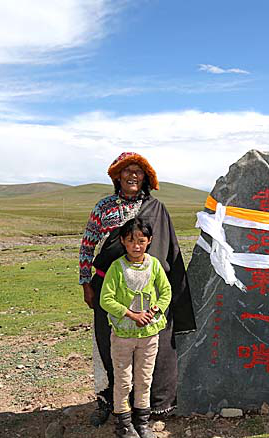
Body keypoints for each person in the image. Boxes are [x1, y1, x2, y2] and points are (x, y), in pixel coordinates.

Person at [79, 152, 196, 426]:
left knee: (152, 347)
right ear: (117, 176)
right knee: (108, 345)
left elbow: (169, 251)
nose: (132, 175)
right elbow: (87, 245)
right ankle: (110, 402)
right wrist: (86, 283)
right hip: (110, 289)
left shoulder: (157, 209)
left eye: (138, 171)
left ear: (146, 178)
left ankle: (151, 407)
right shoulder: (103, 207)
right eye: (127, 170)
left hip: (148, 291)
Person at [100, 218, 171, 438]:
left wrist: (155, 310)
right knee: (123, 380)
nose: (136, 245)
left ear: (149, 241)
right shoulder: (117, 268)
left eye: (141, 240)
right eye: (131, 240)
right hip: (123, 335)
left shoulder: (154, 265)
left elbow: (166, 291)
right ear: (123, 241)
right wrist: (131, 314)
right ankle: (123, 425)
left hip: (149, 334)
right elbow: (105, 299)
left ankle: (142, 423)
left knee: (144, 379)